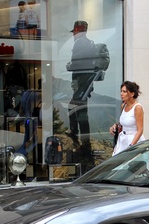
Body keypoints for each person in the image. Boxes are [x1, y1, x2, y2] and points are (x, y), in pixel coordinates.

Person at [66, 20, 95, 166]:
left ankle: (81, 140)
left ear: (78, 31)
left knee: (77, 111)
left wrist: (69, 66)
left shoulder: (80, 44)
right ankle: (82, 140)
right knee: (78, 110)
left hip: (81, 85)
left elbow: (77, 64)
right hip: (86, 85)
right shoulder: (89, 43)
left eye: (75, 32)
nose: (73, 35)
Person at [110, 81, 145, 155]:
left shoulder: (137, 108)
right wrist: (115, 126)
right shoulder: (123, 105)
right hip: (122, 140)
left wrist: (132, 146)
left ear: (132, 94)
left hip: (134, 141)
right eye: (121, 91)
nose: (121, 94)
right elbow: (125, 121)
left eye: (124, 91)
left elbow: (140, 130)